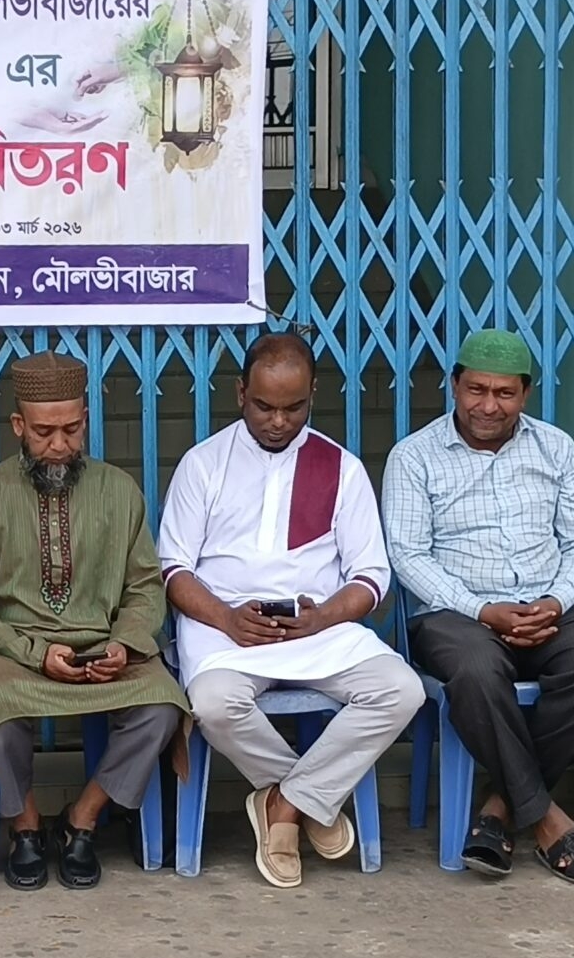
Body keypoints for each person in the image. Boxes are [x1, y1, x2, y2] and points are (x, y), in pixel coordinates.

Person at [156, 334, 422, 887]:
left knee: (401, 690)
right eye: (264, 407)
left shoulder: (341, 467)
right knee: (213, 703)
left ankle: (285, 804)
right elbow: (173, 570)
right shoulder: (203, 464)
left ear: (313, 395)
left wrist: (322, 617)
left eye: (294, 408)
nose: (279, 422)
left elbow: (372, 576)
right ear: (240, 393)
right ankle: (309, 801)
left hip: (316, 628)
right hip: (226, 628)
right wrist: (228, 618)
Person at [383, 330, 574, 886]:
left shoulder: (555, 448)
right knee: (475, 672)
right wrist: (481, 610)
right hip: (454, 613)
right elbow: (408, 555)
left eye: (504, 393)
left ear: (526, 393)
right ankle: (550, 823)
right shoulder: (414, 456)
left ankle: (501, 807)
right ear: (454, 386)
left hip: (551, 603)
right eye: (476, 390)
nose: (488, 406)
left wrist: (556, 599)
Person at [0, 351, 187, 890]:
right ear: (18, 426)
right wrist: (34, 654)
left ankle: (83, 818)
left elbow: (145, 587)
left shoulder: (120, 492)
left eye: (72, 429)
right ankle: (26, 826)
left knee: (162, 706)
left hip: (101, 648)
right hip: (13, 650)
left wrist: (124, 643)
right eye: (43, 432)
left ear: (86, 420)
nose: (59, 445)